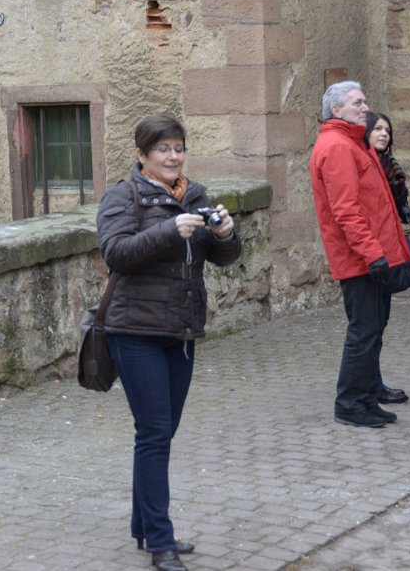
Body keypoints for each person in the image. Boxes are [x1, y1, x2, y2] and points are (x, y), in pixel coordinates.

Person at [97, 113, 241, 571]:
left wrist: (225, 234)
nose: (173, 156)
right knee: (155, 433)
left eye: (178, 148)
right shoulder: (124, 196)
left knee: (161, 432)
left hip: (180, 330)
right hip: (134, 331)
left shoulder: (194, 195)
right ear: (142, 154)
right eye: (163, 149)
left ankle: (144, 525)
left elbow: (223, 257)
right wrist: (166, 231)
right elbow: (115, 252)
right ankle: (161, 542)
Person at [309, 82, 410, 428]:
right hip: (360, 259)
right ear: (336, 110)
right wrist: (372, 254)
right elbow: (346, 210)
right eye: (357, 102)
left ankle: (366, 398)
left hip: (371, 254)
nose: (365, 107)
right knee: (364, 332)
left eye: (365, 101)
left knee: (372, 330)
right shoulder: (338, 146)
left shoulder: (352, 142)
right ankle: (350, 404)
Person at [364, 112, 410, 405]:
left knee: (381, 322)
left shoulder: (390, 167)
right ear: (366, 133)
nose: (384, 134)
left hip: (389, 252)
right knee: (370, 326)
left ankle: (374, 383)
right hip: (372, 255)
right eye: (378, 129)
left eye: (387, 130)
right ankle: (371, 386)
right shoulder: (365, 165)